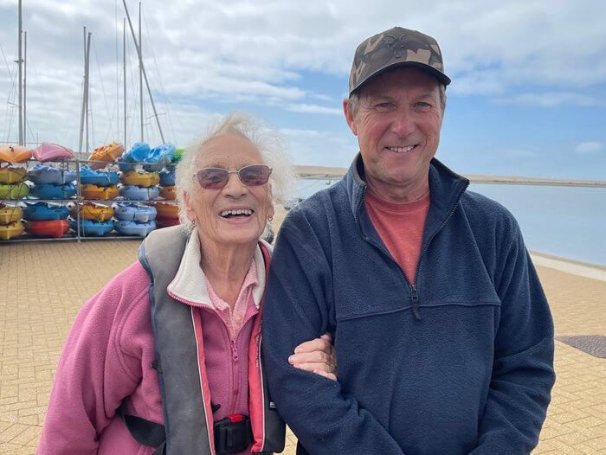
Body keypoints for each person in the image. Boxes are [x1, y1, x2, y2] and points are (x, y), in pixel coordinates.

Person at [262, 26, 555, 454]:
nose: (403, 126)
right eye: (384, 105)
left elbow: (526, 368)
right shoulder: (310, 232)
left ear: (442, 112)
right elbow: (296, 382)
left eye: (421, 104)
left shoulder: (494, 230)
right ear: (351, 116)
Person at [37, 113, 336, 454]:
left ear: (270, 200)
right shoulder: (134, 293)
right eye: (213, 177)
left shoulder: (294, 289)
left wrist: (332, 361)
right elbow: (70, 420)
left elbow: (331, 360)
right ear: (189, 204)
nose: (236, 189)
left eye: (253, 176)